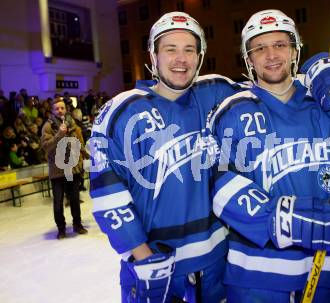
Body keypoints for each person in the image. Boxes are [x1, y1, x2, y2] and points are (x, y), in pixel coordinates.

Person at [207, 9, 330, 303]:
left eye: (280, 44)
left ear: (295, 49)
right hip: (258, 277)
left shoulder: (329, 105)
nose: (271, 55)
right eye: (260, 48)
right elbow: (217, 186)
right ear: (249, 57)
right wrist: (281, 220)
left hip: (328, 269)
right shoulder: (231, 112)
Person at [89, 12, 245, 303]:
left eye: (189, 50)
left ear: (200, 56)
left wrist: (324, 77)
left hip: (218, 264)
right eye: (170, 49)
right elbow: (108, 195)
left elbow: (274, 94)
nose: (180, 59)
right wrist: (144, 258)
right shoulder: (122, 111)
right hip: (157, 266)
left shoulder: (217, 93)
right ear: (154, 55)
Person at [41, 98, 88, 239]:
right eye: (57, 109)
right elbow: (46, 147)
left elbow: (79, 143)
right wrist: (59, 135)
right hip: (57, 170)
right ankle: (61, 229)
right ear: (53, 111)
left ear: (66, 109)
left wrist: (87, 156)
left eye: (62, 108)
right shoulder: (47, 127)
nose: (60, 110)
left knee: (74, 199)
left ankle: (77, 224)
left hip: (72, 169)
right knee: (58, 202)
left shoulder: (73, 125)